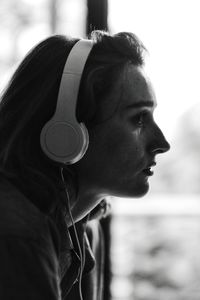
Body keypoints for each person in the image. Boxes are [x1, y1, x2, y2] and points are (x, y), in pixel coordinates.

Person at [0, 30, 170, 300]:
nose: (162, 143)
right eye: (139, 119)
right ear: (66, 133)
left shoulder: (85, 229)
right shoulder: (16, 234)